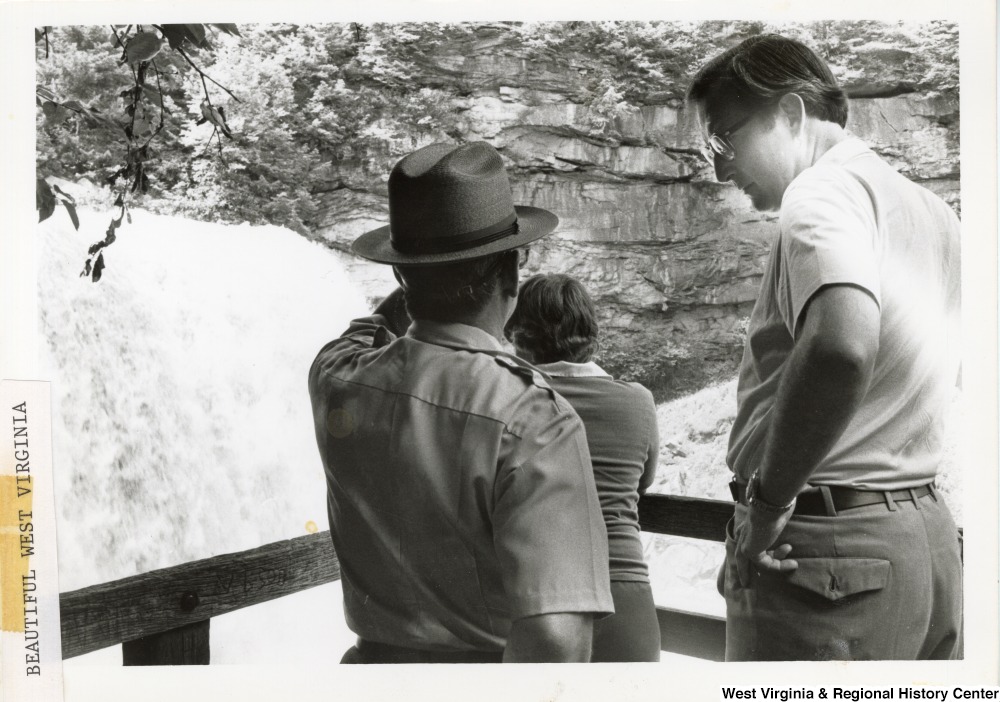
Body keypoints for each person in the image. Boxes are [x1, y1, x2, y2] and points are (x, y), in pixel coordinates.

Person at [687, 34, 962, 661]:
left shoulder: (819, 192)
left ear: (789, 113)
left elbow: (841, 345)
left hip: (827, 555)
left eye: (724, 138)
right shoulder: (932, 212)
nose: (717, 166)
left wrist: (766, 507)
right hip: (924, 540)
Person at [308, 141, 614, 664]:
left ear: (400, 276)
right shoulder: (534, 420)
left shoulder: (337, 377)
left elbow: (363, 331)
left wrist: (418, 272)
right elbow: (556, 642)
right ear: (513, 274)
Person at [505, 273, 661, 662]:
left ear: (520, 334)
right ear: (589, 332)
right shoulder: (638, 401)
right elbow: (641, 484)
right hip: (625, 592)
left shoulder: (509, 396)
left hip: (542, 596)